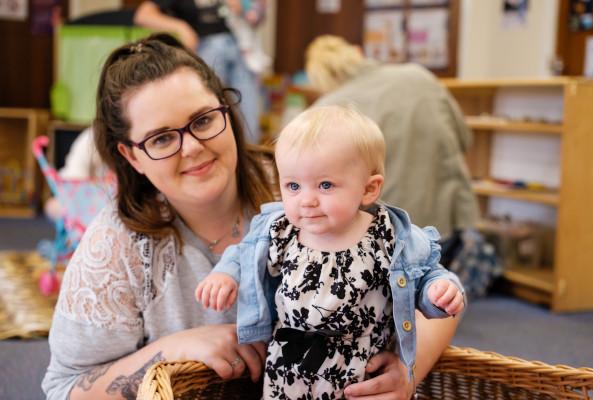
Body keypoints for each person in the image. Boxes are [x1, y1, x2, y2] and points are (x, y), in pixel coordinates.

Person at [42, 33, 460, 400]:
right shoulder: (115, 247)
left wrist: (408, 371)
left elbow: (428, 283)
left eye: (203, 120)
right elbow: (64, 387)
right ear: (130, 156)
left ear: (226, 111)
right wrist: (175, 347)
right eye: (162, 137)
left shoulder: (300, 185)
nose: (191, 148)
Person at [196, 105, 466, 399]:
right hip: (289, 369)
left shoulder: (388, 236)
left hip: (360, 372)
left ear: (368, 189)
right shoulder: (280, 230)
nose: (307, 200)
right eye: (293, 186)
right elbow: (244, 256)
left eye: (325, 185)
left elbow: (425, 274)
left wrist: (439, 291)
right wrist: (225, 274)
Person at [305, 35, 479, 242]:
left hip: (386, 235)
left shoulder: (325, 110)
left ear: (318, 78)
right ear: (357, 53)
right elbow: (465, 140)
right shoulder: (419, 77)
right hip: (448, 221)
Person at [134, 0, 265, 145]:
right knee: (210, 115)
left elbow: (257, 16)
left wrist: (242, 8)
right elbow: (143, 15)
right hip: (205, 50)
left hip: (241, 50)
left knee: (249, 121)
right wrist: (181, 27)